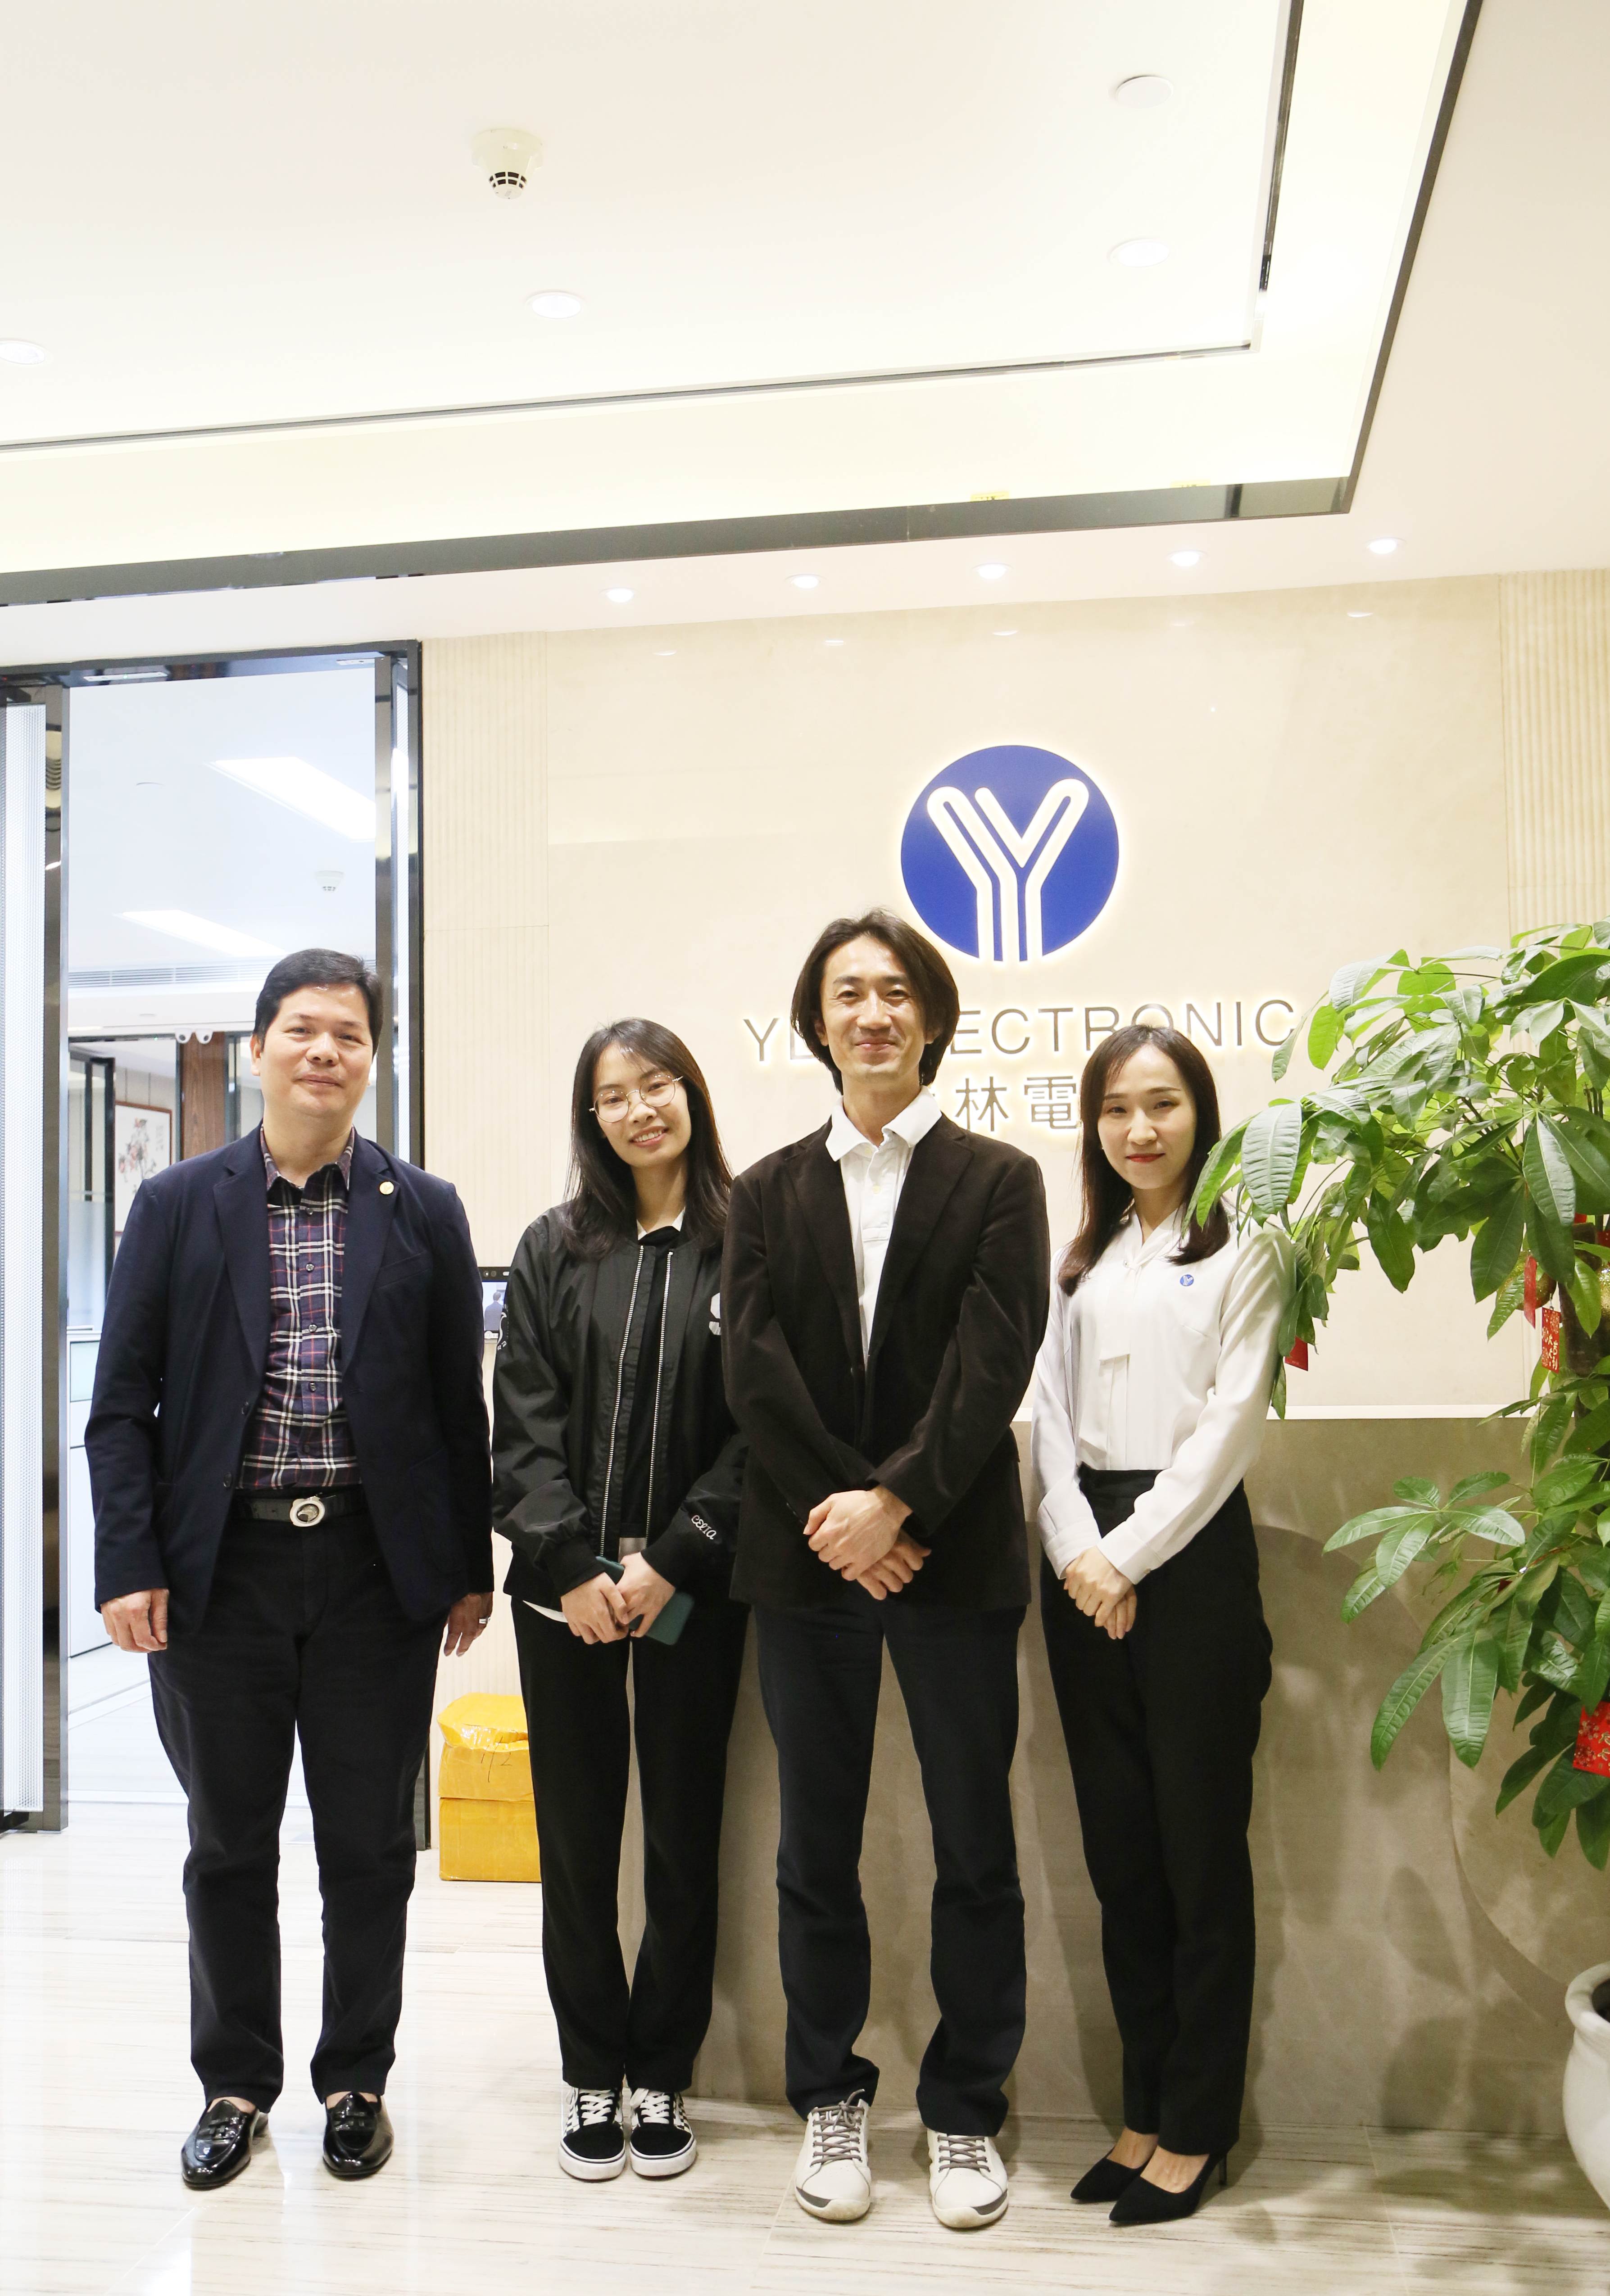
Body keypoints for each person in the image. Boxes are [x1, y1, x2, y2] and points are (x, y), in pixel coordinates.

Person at [88, 950, 492, 2192]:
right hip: (223, 1572)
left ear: (374, 1059)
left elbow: (455, 1407)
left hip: (376, 1571)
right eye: (303, 1030)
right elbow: (122, 1404)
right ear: (258, 1047)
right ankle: (235, 2085)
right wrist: (128, 1561)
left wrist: (467, 1566)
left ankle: (356, 2080)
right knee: (228, 1844)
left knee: (370, 1846)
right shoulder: (177, 1205)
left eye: (350, 1035)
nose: (326, 1051)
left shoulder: (423, 1208)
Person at [722, 910, 1049, 2232]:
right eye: (848, 992)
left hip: (953, 1555)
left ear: (932, 1018)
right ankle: (831, 2093)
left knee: (976, 1846)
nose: (873, 1012)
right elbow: (754, 1371)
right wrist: (845, 1517)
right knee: (816, 1847)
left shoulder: (1002, 1178)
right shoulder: (763, 1190)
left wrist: (898, 1501)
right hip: (809, 1565)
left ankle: (965, 2107)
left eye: (897, 990)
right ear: (817, 1021)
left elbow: (996, 1355)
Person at [1030, 1024, 1290, 2227]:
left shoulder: (1248, 1243)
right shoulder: (1081, 1259)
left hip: (1188, 1560)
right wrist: (1077, 1551)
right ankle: (1141, 2110)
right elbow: (1047, 1416)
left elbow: (1231, 1425)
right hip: (1083, 1554)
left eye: (1164, 1104)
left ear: (1202, 1113)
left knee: (1199, 1852)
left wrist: (1124, 1555)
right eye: (1117, 1109)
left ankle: (1196, 2125)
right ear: (1095, 1126)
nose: (1140, 1129)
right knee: (1122, 1856)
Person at [493, 1021, 748, 2184]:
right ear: (590, 1116)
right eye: (614, 1095)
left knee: (686, 1832)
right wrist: (569, 1566)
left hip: (696, 1584)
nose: (640, 1109)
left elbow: (759, 1427)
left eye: (658, 1085)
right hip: (568, 1596)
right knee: (578, 1835)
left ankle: (665, 2071)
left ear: (691, 1093)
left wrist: (676, 1557)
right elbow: (523, 1421)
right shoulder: (554, 1247)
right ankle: (592, 2066)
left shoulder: (746, 1245)